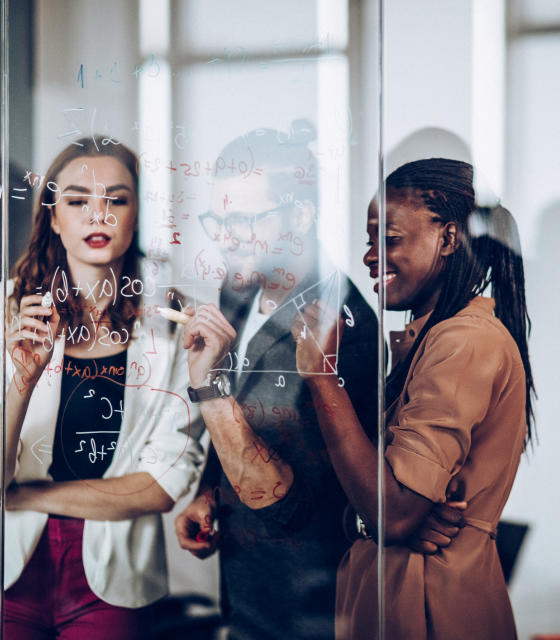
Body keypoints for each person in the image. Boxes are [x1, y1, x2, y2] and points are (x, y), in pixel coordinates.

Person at [0, 138, 203, 639]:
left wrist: (22, 496)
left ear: (136, 215)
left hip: (114, 573)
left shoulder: (172, 327)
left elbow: (159, 488)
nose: (99, 216)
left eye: (117, 199)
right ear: (54, 218)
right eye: (77, 200)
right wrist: (24, 377)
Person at [291, 158, 535, 639]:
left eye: (389, 238)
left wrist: (322, 375)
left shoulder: (462, 341)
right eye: (368, 241)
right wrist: (369, 521)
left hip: (429, 606)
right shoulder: (430, 339)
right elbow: (386, 506)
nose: (369, 257)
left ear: (447, 238)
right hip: (401, 594)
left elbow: (397, 512)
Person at [172, 122, 381, 640]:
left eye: (243, 218)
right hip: (243, 596)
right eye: (217, 218)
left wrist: (208, 390)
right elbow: (248, 417)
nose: (224, 236)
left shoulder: (341, 325)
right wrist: (209, 492)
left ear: (300, 216)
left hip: (312, 612)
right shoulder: (240, 288)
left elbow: (291, 505)